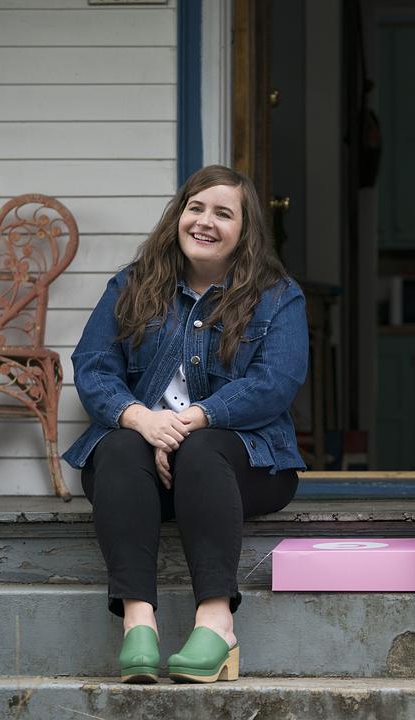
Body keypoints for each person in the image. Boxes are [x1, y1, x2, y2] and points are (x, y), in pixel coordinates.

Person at [63, 165, 308, 684]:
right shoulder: (133, 284)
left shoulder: (276, 295)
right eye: (195, 208)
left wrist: (190, 421)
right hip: (143, 471)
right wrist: (141, 420)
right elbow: (93, 366)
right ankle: (138, 624)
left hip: (244, 467)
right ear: (178, 215)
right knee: (119, 447)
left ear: (245, 230)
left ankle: (217, 624)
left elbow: (274, 382)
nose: (204, 222)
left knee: (202, 449)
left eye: (223, 213)